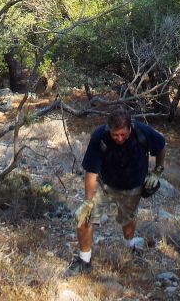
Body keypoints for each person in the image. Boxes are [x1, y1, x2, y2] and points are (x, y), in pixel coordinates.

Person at [69, 108, 166, 273]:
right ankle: (84, 261)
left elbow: (161, 145)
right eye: (115, 135)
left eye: (123, 134)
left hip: (132, 186)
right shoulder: (100, 136)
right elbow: (91, 171)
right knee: (84, 218)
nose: (119, 138)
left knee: (127, 221)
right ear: (109, 129)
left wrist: (158, 170)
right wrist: (87, 201)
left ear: (130, 128)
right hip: (105, 183)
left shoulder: (143, 132)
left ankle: (130, 245)